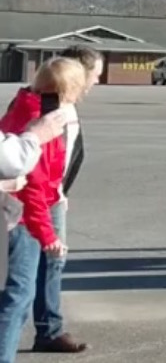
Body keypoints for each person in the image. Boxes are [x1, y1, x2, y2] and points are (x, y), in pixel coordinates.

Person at [0, 58, 87, 363]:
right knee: (17, 295)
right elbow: (32, 187)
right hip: (19, 218)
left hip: (18, 211)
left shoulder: (24, 105)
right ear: (70, 89)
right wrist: (48, 236)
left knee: (16, 294)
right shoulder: (43, 122)